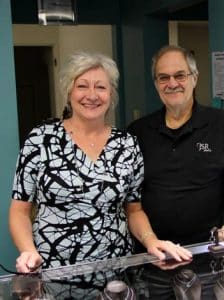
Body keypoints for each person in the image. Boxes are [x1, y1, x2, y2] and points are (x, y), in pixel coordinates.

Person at [9, 50, 192, 274]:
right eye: (82, 86)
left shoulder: (127, 144)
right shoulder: (40, 139)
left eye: (101, 87)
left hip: (116, 270)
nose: (92, 95)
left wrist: (151, 241)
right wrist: (27, 250)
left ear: (111, 94)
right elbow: (19, 211)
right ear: (69, 91)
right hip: (51, 268)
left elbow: (134, 211)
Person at [127, 45, 224, 250]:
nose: (172, 83)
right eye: (163, 77)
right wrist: (149, 240)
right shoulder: (138, 132)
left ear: (194, 78)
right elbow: (130, 201)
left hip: (206, 252)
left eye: (180, 75)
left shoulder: (222, 124)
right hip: (152, 253)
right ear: (156, 84)